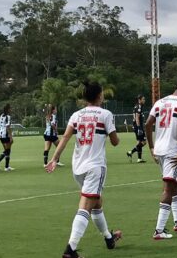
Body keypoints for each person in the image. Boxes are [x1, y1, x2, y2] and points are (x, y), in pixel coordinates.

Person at [46, 81, 122, 257]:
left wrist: (54, 158)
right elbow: (115, 141)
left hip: (78, 167)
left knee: (96, 203)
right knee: (86, 206)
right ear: (99, 96)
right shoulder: (106, 114)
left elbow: (65, 137)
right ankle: (70, 249)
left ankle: (109, 238)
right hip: (95, 167)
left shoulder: (76, 115)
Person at [145, 78, 177, 239]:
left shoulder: (160, 102)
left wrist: (151, 147)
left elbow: (147, 124)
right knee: (168, 188)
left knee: (176, 182)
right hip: (172, 150)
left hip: (159, 150)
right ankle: (159, 230)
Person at [127, 95, 147, 163]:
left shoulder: (136, 106)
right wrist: (139, 128)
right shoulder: (139, 107)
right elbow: (137, 118)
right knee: (144, 142)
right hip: (138, 127)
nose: (144, 100)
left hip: (136, 126)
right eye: (143, 99)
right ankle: (131, 152)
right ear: (139, 100)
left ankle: (139, 159)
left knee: (139, 142)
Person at [0, 104, 14, 171]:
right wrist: (11, 137)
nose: (11, 110)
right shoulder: (8, 117)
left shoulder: (1, 115)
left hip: (0, 135)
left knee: (6, 150)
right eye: (10, 108)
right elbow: (8, 127)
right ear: (8, 109)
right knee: (7, 150)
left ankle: (7, 166)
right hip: (6, 135)